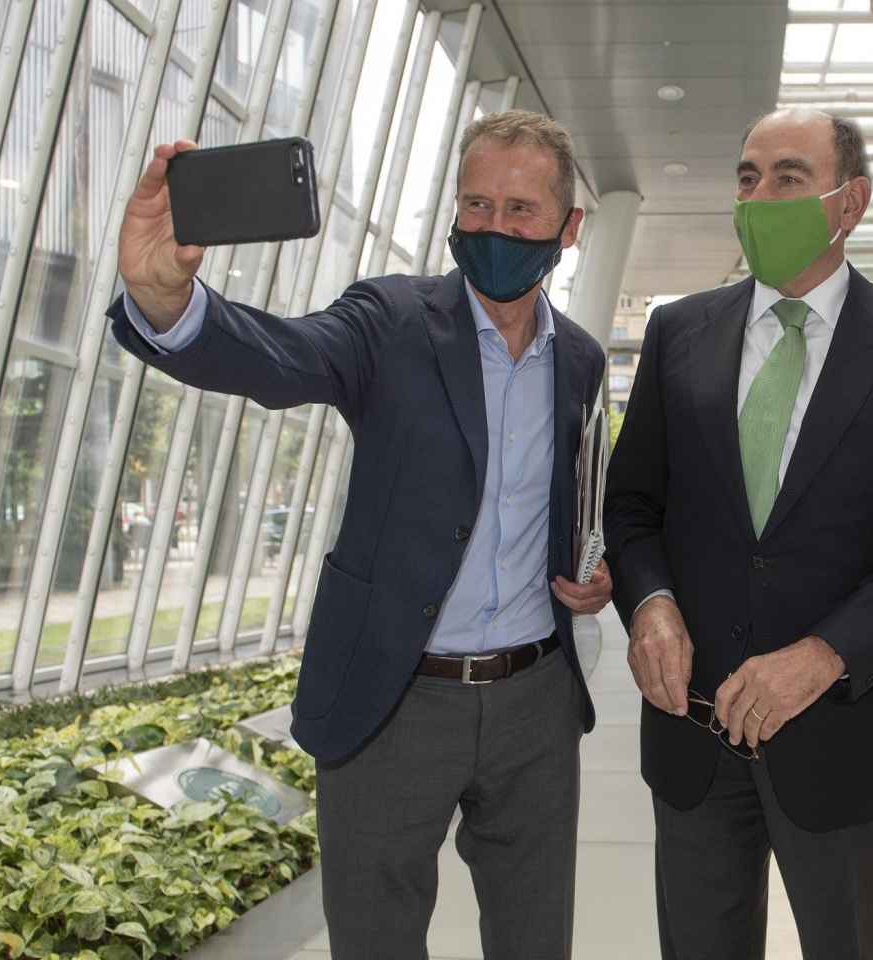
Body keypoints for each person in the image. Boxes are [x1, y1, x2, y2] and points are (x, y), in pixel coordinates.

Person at [109, 110, 611, 959]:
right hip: (394, 697)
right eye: (476, 205)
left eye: (520, 211)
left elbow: (572, 503)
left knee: (536, 941)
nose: (494, 228)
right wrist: (168, 296)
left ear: (569, 227)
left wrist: (596, 577)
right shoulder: (392, 319)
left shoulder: (582, 360)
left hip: (535, 700)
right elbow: (281, 356)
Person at [604, 109, 873, 960]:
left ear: (850, 204)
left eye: (788, 178)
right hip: (691, 735)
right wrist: (651, 603)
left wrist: (825, 653)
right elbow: (631, 507)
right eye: (747, 176)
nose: (760, 196)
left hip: (847, 744)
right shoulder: (676, 333)